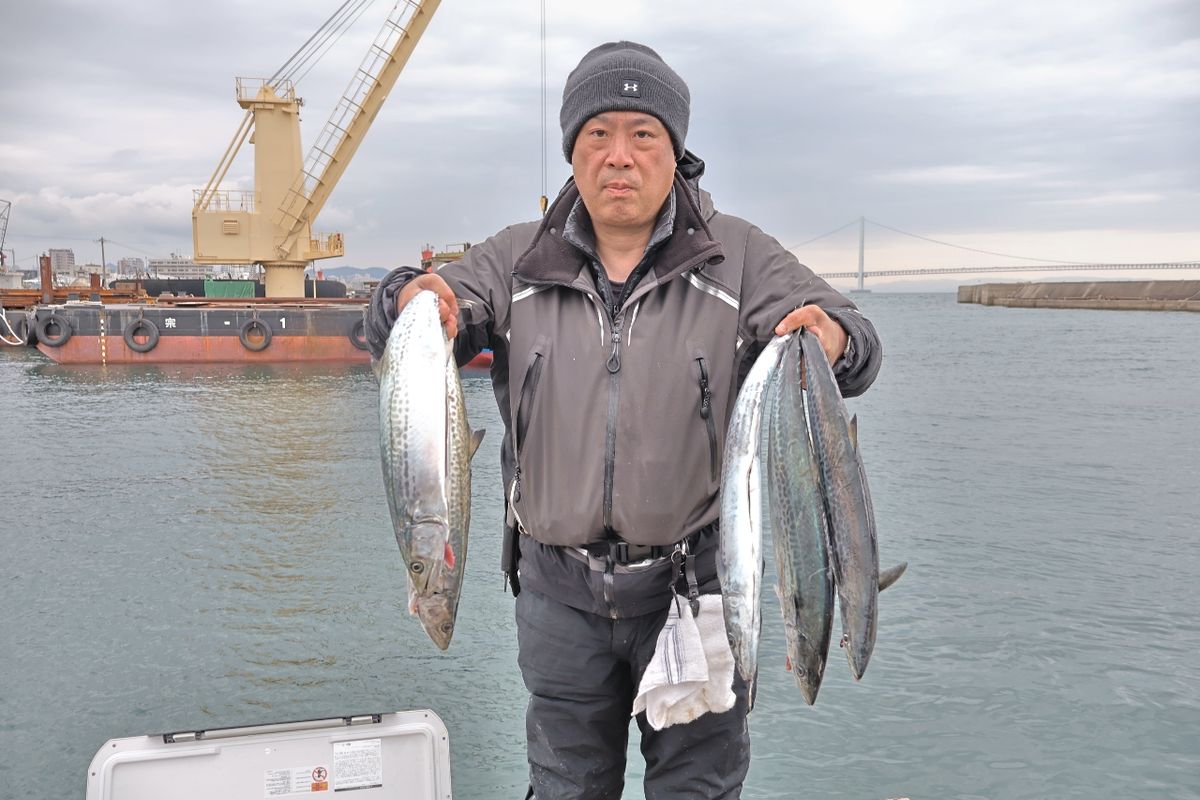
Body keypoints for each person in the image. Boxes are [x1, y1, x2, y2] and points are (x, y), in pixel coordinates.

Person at [366, 41, 883, 800]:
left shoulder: (739, 257)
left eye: (644, 135)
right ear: (572, 153)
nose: (619, 157)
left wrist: (836, 340)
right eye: (597, 134)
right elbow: (402, 323)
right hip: (557, 595)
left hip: (697, 588)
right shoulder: (516, 258)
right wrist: (409, 298)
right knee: (565, 786)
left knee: (697, 789)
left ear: (676, 152)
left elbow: (858, 346)